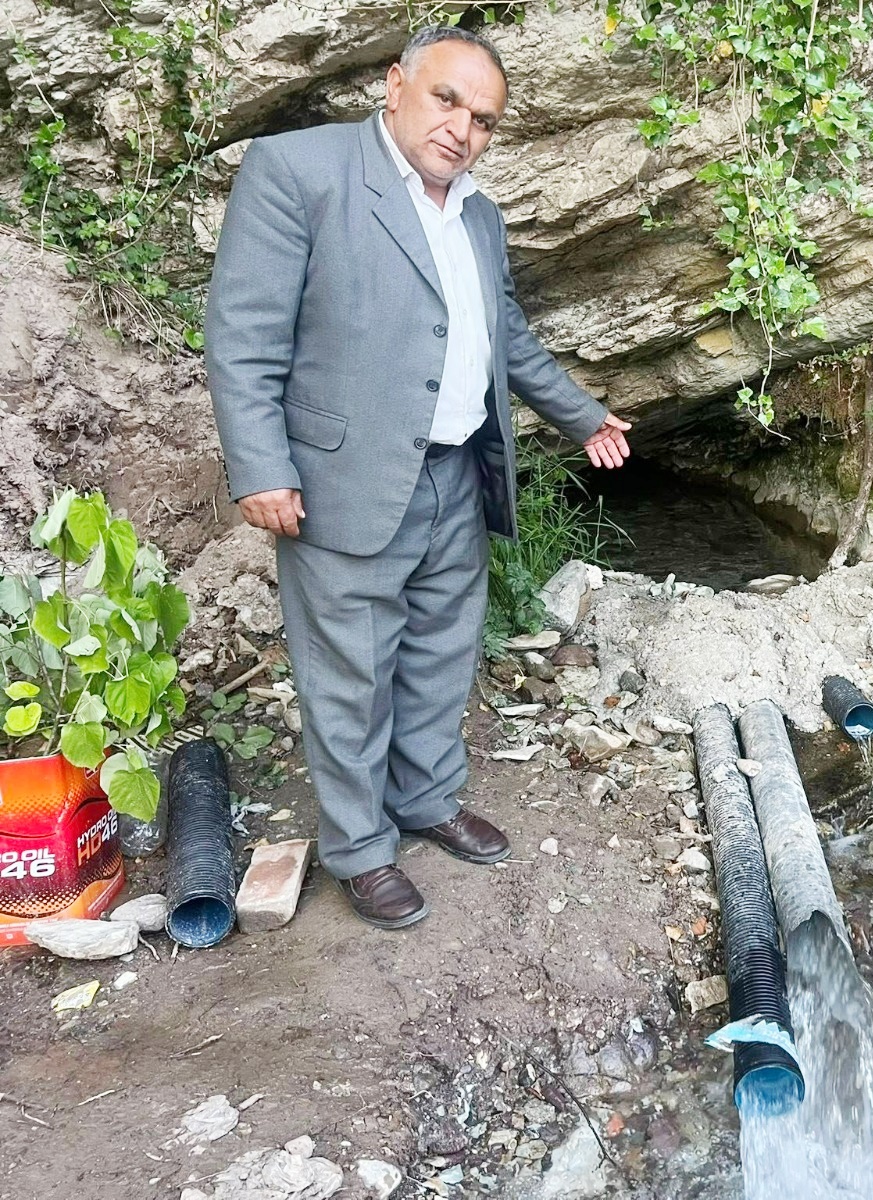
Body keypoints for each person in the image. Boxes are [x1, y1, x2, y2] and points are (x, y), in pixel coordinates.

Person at [206, 24, 631, 929]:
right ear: (396, 85)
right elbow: (243, 335)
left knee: (441, 652)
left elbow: (503, 334)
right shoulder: (299, 171)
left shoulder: (479, 214)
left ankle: (426, 799)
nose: (461, 129)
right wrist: (261, 467)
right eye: (447, 100)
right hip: (341, 478)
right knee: (351, 673)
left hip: (456, 470)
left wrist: (583, 414)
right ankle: (360, 849)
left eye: (483, 120)